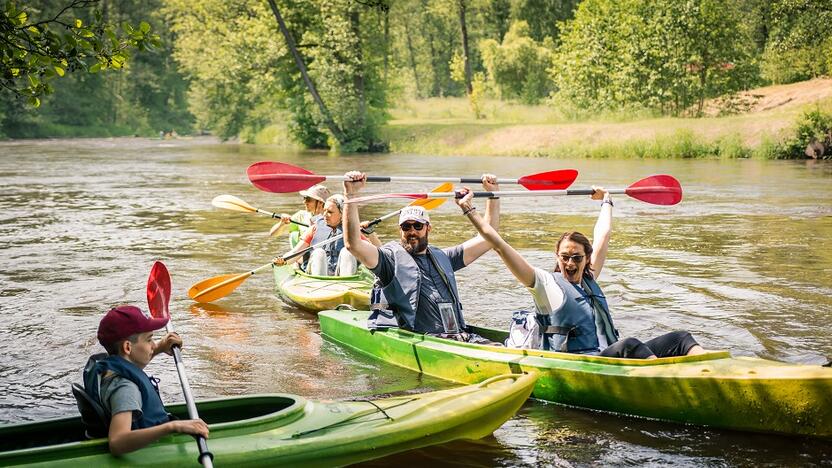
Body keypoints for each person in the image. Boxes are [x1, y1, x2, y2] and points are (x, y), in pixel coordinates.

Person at [455, 186, 706, 358]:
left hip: (612, 356)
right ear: (558, 258)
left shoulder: (588, 278)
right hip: (586, 363)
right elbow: (498, 245)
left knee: (681, 338)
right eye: (565, 257)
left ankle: (711, 368)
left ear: (586, 259)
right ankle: (665, 379)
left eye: (577, 257)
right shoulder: (543, 284)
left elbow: (603, 234)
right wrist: (469, 210)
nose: (571, 263)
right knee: (630, 345)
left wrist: (606, 200)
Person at [343, 171, 501, 343]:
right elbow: (354, 244)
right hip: (425, 340)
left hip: (459, 336)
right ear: (400, 230)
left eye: (418, 226)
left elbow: (488, 239)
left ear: (428, 229)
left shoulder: (444, 257)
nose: (412, 231)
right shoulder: (389, 260)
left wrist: (493, 195)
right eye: (406, 227)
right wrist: (350, 195)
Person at [82, 305, 209, 455]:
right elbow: (117, 442)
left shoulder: (109, 368)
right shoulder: (126, 389)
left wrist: (161, 347)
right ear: (128, 347)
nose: (153, 344)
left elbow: (131, 363)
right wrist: (173, 426)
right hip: (147, 450)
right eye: (149, 339)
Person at [274, 194, 381, 276]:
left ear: (342, 214)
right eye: (324, 210)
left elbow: (379, 253)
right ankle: (319, 288)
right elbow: (296, 252)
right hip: (317, 276)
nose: (324, 215)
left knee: (347, 252)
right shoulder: (315, 228)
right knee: (319, 252)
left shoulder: (351, 231)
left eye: (330, 212)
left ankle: (346, 286)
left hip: (341, 276)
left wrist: (371, 234)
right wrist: (283, 260)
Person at [275, 184, 331, 248]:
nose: (304, 202)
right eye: (304, 198)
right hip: (302, 254)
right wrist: (282, 224)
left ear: (320, 202)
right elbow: (274, 234)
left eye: (308, 199)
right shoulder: (300, 216)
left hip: (322, 253)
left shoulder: (331, 218)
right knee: (294, 234)